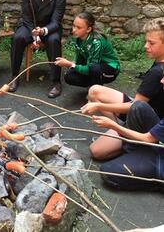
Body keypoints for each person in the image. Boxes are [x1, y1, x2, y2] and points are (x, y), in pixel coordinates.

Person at [82, 17, 164, 160]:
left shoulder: (157, 73)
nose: (145, 46)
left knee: (96, 151)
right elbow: (141, 101)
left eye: (151, 43)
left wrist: (98, 105)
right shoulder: (159, 63)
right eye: (146, 41)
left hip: (147, 121)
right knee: (94, 91)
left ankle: (129, 137)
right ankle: (119, 130)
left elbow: (135, 106)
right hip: (147, 107)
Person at [9, 0, 66, 98]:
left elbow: (56, 20)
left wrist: (42, 32)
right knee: (18, 37)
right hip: (29, 25)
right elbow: (26, 17)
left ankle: (56, 82)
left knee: (54, 41)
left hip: (49, 27)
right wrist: (34, 35)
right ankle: (15, 76)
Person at [92, 99, 164, 191]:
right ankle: (135, 153)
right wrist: (99, 105)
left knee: (108, 172)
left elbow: (147, 139)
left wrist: (113, 126)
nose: (161, 83)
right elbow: (132, 104)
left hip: (161, 159)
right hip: (158, 143)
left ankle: (156, 181)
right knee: (138, 106)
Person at [55, 11, 120, 87]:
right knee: (69, 76)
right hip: (92, 65)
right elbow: (79, 56)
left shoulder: (97, 42)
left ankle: (97, 90)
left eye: (78, 27)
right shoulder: (77, 37)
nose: (74, 30)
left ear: (88, 29)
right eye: (73, 26)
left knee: (94, 69)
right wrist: (74, 65)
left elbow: (91, 68)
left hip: (109, 70)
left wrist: (71, 64)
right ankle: (92, 85)